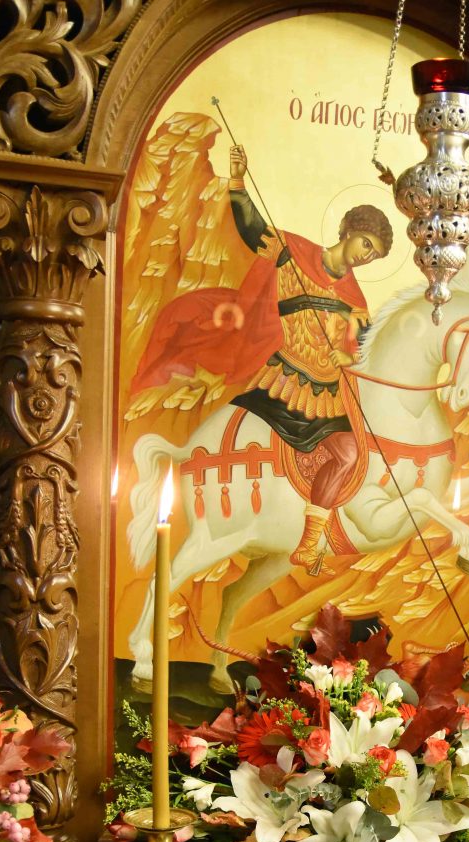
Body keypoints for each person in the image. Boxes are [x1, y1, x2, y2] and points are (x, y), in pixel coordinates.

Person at [132, 143, 394, 572]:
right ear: (348, 231)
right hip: (284, 380)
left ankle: (308, 543)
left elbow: (364, 348)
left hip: (326, 394)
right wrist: (238, 182)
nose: (366, 255)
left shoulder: (355, 296)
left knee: (349, 453)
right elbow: (253, 229)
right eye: (366, 243)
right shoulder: (293, 251)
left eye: (374, 254)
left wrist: (349, 359)